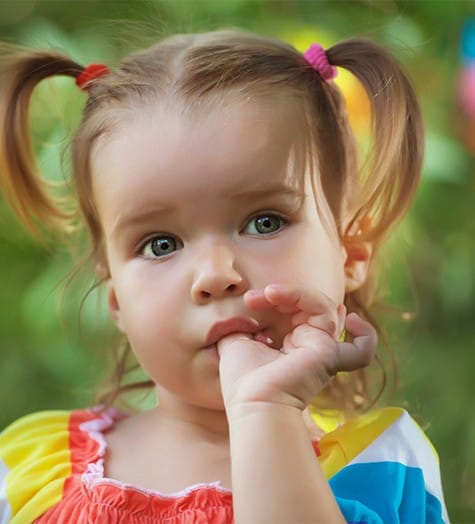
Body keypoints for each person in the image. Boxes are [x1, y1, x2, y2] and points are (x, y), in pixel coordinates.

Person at [0, 28, 449, 523]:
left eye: (264, 222)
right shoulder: (27, 471)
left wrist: (266, 412)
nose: (216, 275)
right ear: (115, 299)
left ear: (349, 253)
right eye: (161, 244)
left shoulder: (383, 467)